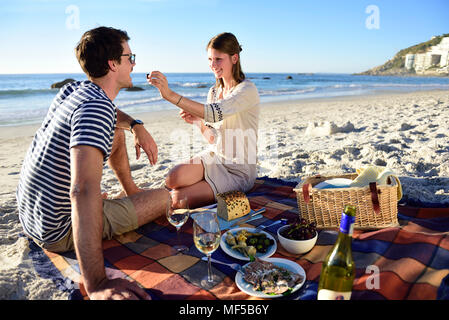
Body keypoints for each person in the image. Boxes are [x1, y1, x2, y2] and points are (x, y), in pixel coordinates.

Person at [16, 26, 169, 300]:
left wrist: (135, 125)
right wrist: (96, 282)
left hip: (32, 214)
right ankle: (127, 209)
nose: (134, 64)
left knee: (116, 131)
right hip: (58, 229)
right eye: (130, 58)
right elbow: (82, 190)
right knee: (167, 198)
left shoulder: (75, 90)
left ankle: (130, 190)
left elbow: (110, 114)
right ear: (113, 64)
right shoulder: (96, 107)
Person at [148, 32, 260, 209]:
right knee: (172, 178)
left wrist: (169, 95)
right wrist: (198, 122)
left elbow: (214, 113)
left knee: (177, 200)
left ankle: (144, 203)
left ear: (234, 58)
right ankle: (145, 197)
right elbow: (212, 138)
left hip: (238, 172)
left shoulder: (247, 90)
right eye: (210, 59)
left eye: (218, 59)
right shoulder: (213, 92)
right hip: (215, 158)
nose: (212, 65)